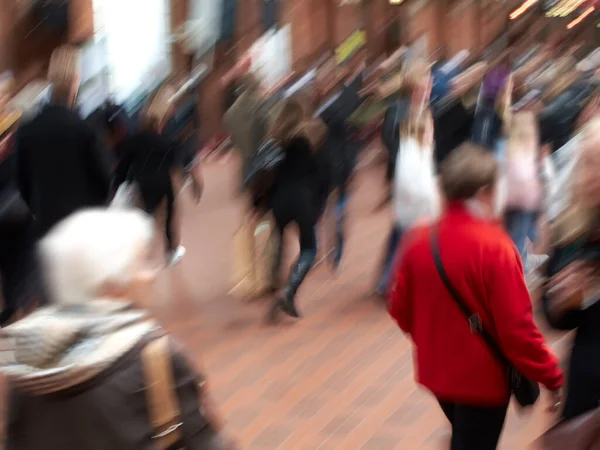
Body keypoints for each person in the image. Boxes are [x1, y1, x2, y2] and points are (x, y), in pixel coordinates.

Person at [0, 208, 232, 449]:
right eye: (142, 262)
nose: (151, 274)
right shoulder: (155, 354)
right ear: (112, 282)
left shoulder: (23, 351)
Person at [388, 144, 563, 450]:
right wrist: (552, 376)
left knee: (465, 436)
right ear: (485, 192)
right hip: (482, 381)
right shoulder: (495, 247)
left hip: (437, 371)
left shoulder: (418, 238)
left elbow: (400, 309)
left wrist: (432, 335)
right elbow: (517, 331)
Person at [13, 46, 113, 238]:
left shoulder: (26, 131)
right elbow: (104, 181)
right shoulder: (84, 130)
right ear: (75, 81)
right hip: (83, 228)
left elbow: (22, 181)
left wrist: (38, 209)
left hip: (47, 229)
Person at [542, 119, 600, 421]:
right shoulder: (573, 228)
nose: (590, 177)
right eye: (586, 164)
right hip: (587, 389)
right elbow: (555, 318)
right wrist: (563, 301)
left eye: (598, 165)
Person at [114, 84, 199, 266]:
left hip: (141, 185)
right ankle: (170, 251)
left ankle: (140, 254)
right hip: (162, 184)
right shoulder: (165, 142)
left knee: (144, 219)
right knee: (170, 214)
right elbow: (177, 162)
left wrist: (118, 186)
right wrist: (191, 179)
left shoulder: (134, 141)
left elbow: (122, 168)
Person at [266, 95, 329, 319]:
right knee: (309, 249)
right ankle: (289, 291)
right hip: (302, 200)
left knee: (279, 240)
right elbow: (324, 175)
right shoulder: (313, 138)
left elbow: (270, 177)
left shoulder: (276, 141)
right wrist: (319, 208)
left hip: (279, 200)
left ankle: (273, 282)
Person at [376, 108, 437, 295]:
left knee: (399, 248)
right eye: (430, 127)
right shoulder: (411, 151)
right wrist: (431, 196)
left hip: (414, 210)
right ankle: (392, 284)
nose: (433, 131)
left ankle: (388, 282)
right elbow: (411, 183)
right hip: (414, 211)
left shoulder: (421, 149)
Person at [504, 111, 545, 270]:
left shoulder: (512, 149)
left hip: (521, 206)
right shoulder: (518, 152)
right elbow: (524, 180)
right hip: (523, 206)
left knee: (524, 240)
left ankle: (523, 270)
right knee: (521, 242)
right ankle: (522, 272)